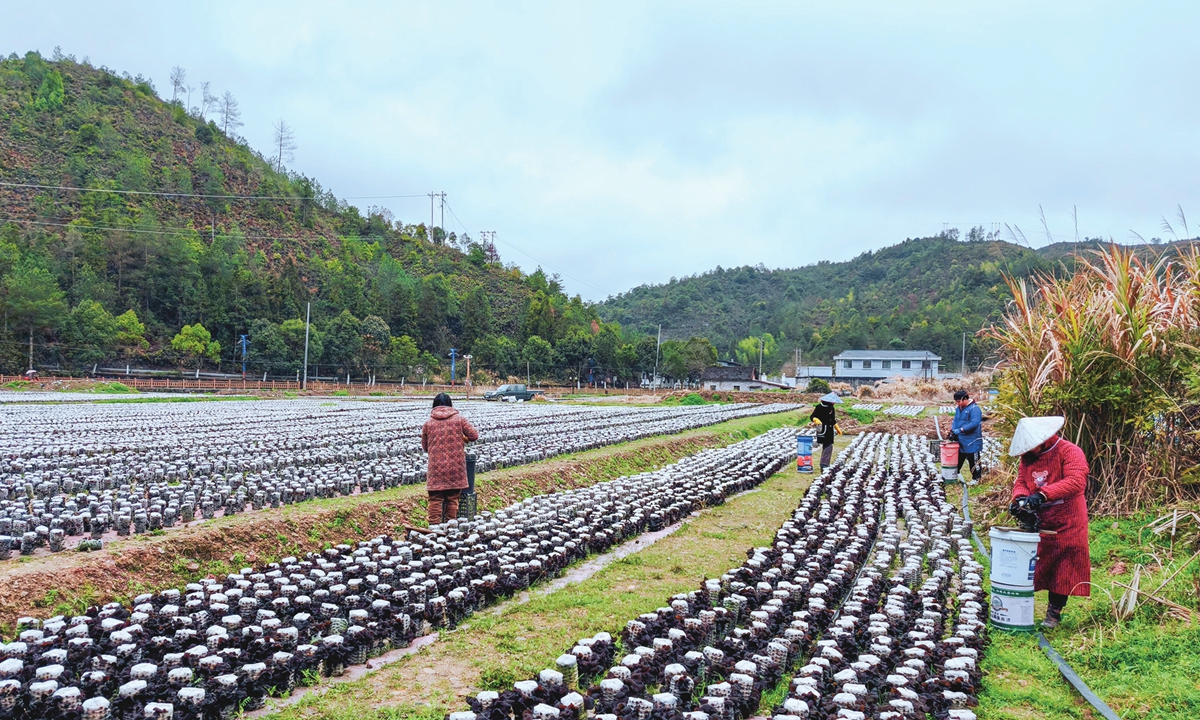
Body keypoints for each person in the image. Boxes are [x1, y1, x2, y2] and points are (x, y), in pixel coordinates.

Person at [1008, 415, 1091, 629]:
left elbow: (1075, 481)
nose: (1027, 453)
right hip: (1041, 519)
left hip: (1068, 519)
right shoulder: (1028, 458)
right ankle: (1022, 606)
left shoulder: (1070, 451)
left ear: (1042, 440)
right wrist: (1020, 499)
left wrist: (1043, 495)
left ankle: (1054, 613)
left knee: (1064, 566)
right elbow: (1021, 481)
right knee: (1036, 563)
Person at [421, 393, 479, 526]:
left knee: (435, 500)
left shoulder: (428, 423)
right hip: (455, 468)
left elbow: (425, 447)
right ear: (450, 404)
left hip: (436, 469)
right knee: (453, 499)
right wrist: (463, 438)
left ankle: (434, 530)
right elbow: (474, 435)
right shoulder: (459, 419)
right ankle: (450, 528)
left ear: (434, 405)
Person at [948, 389, 984, 483]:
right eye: (956, 402)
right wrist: (953, 430)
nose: (957, 403)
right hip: (961, 439)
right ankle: (956, 474)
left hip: (972, 440)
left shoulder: (974, 409)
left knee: (973, 460)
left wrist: (962, 429)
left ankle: (976, 478)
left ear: (965, 399)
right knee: (958, 459)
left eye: (959, 401)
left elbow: (975, 423)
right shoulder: (958, 409)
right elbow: (956, 420)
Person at [809, 392, 842, 471]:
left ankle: (824, 464)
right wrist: (815, 419)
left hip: (829, 430)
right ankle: (823, 463)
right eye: (833, 402)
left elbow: (832, 419)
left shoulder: (831, 408)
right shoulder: (819, 407)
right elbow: (812, 416)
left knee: (828, 446)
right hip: (822, 429)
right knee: (825, 444)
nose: (833, 403)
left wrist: (837, 428)